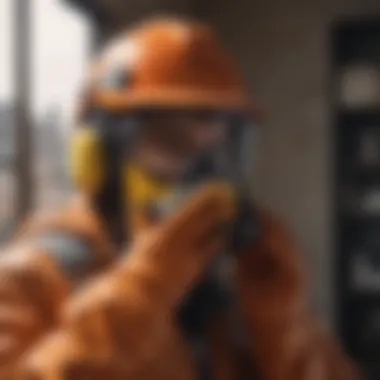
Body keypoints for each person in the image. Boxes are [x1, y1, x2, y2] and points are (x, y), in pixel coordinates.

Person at [0, 16, 360, 380]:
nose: (201, 180)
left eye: (218, 156)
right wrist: (140, 297)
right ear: (98, 159)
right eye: (170, 145)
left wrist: (280, 323)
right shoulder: (33, 276)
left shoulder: (229, 280)